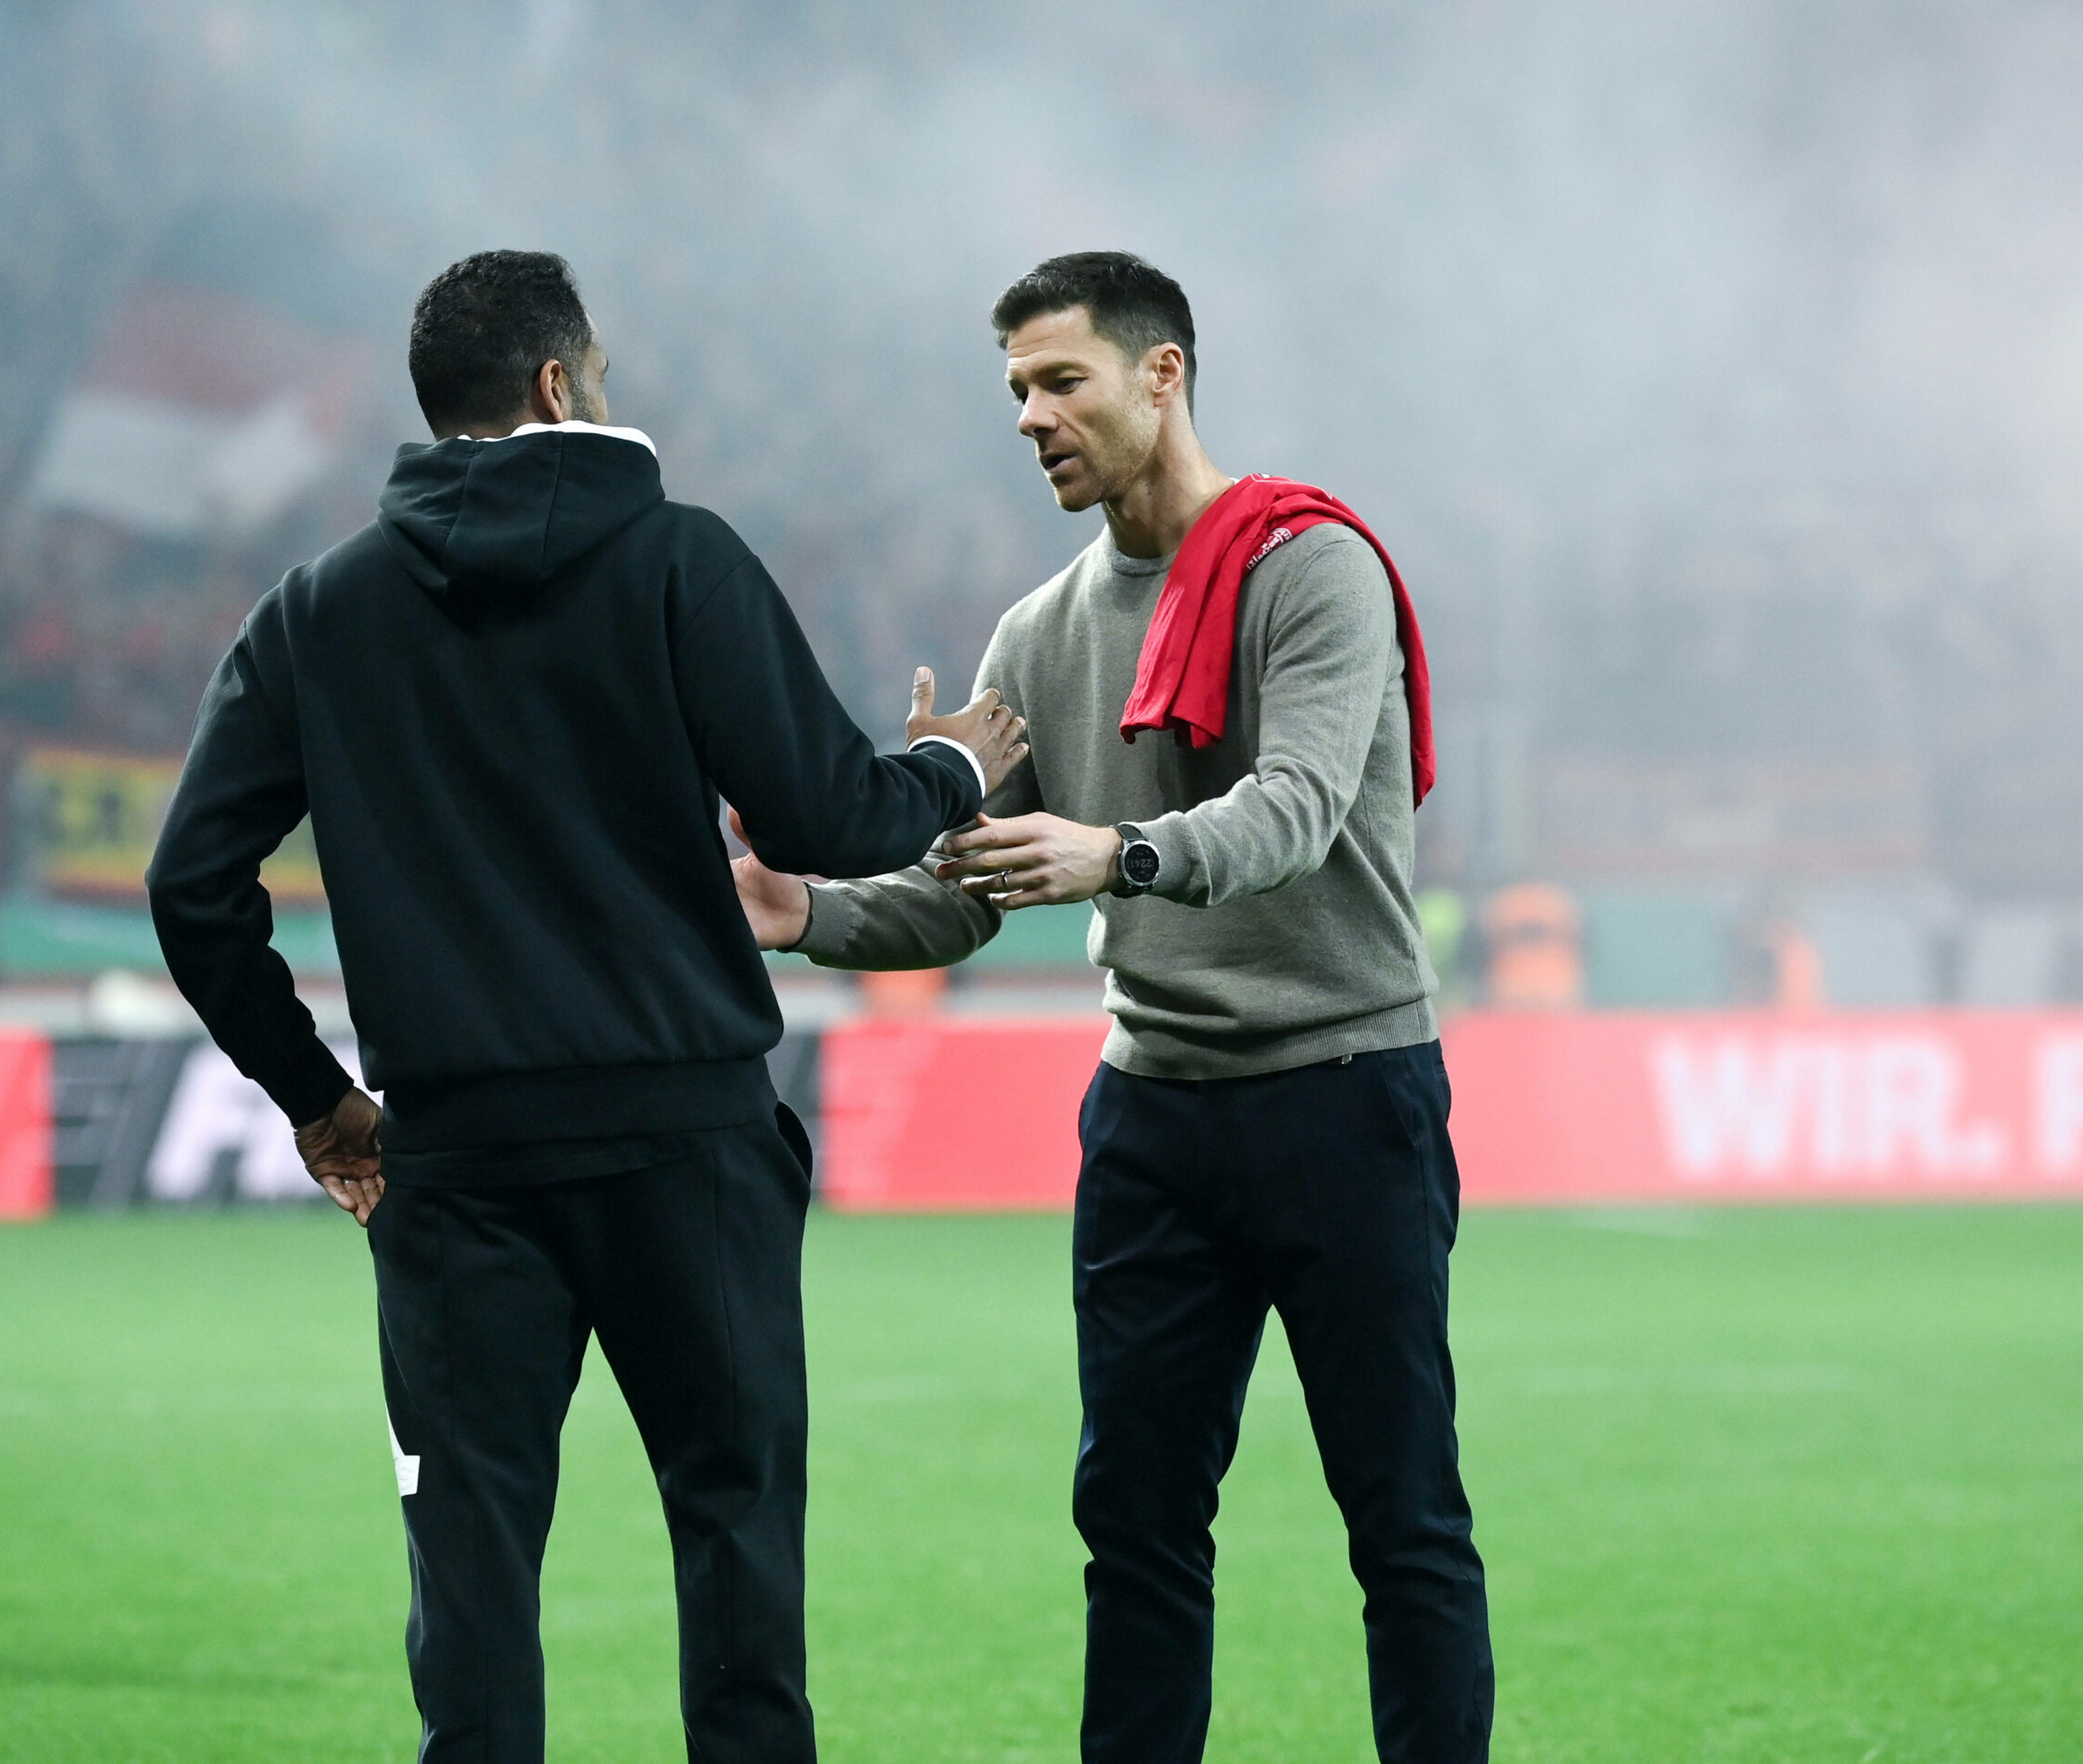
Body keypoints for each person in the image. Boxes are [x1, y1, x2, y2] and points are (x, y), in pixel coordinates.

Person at [145, 249, 1026, 1764]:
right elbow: (827, 816)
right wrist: (952, 763)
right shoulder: (679, 558)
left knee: (472, 1577)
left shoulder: (318, 610)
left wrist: (319, 1097)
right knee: (737, 1542)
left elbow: (188, 886)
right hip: (689, 1139)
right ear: (560, 384)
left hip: (460, 1165)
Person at [733, 252, 1494, 1763]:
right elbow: (962, 895)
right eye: (1015, 389)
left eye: (1061, 379)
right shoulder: (1039, 631)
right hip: (1151, 1116)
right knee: (1135, 1524)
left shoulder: (1312, 567)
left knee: (1402, 1516)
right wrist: (805, 912)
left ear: (1164, 374)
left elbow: (1291, 811)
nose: (1031, 415)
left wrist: (1116, 850)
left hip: (1345, 1090)